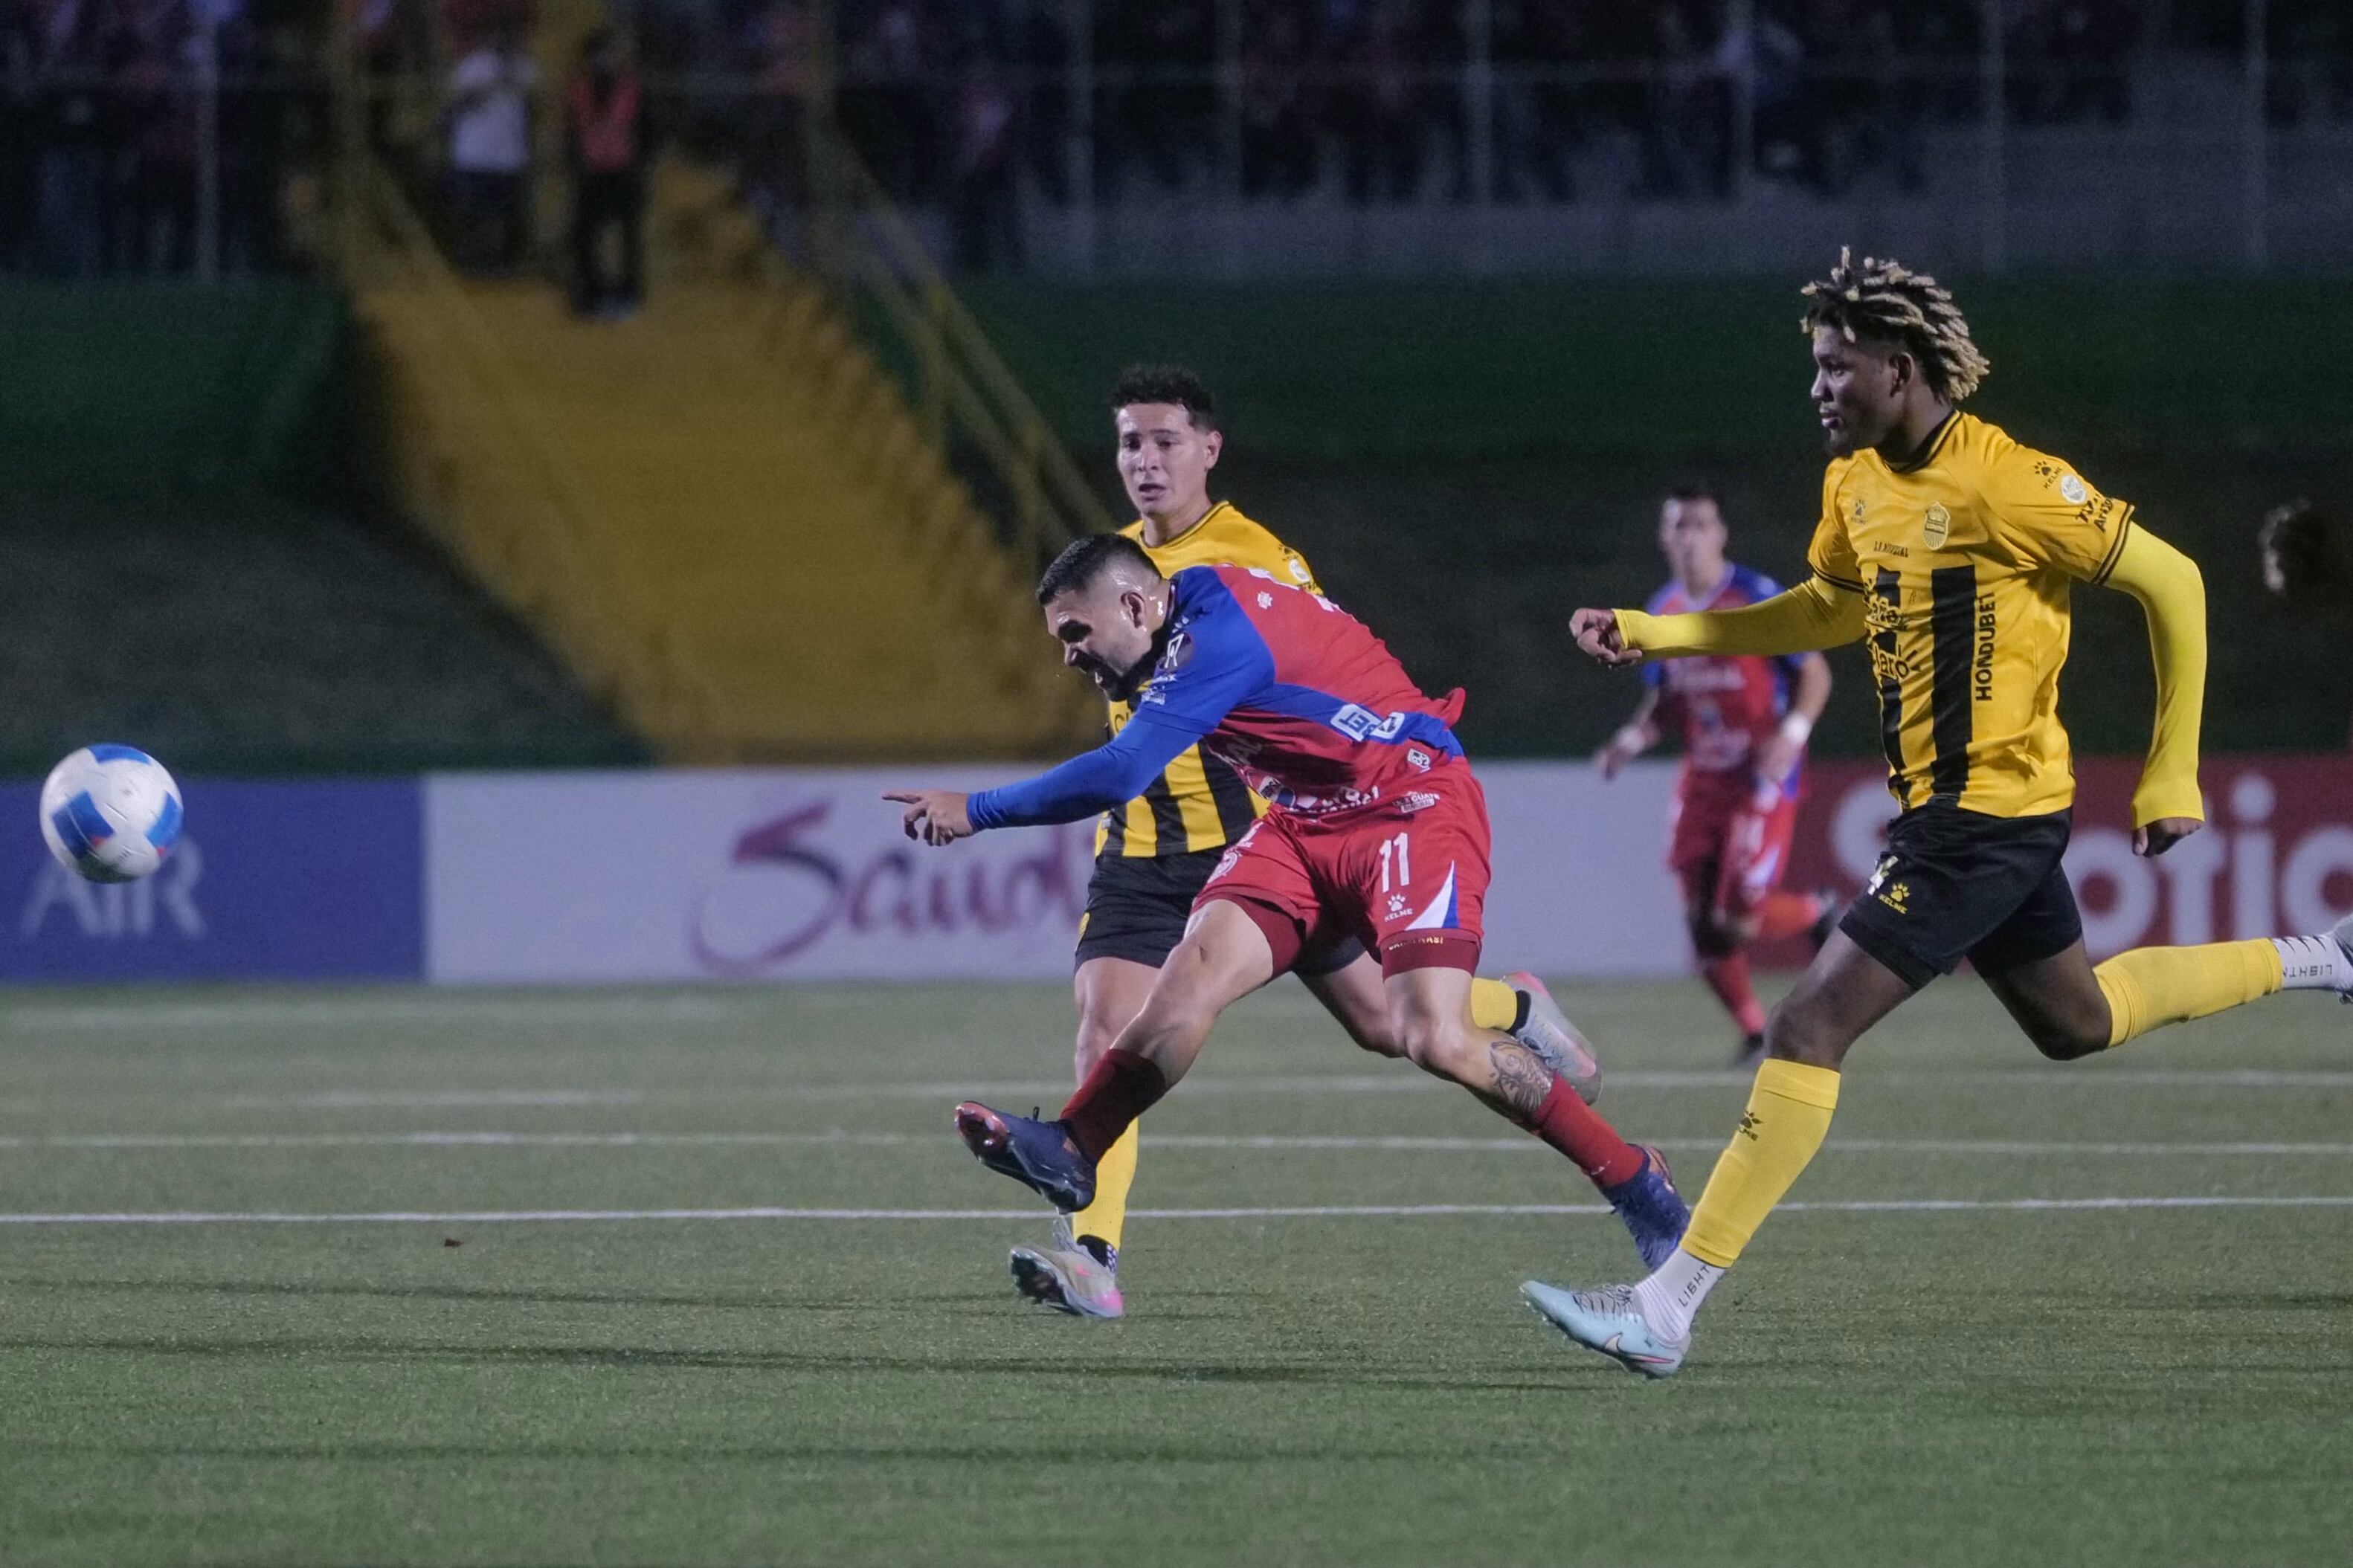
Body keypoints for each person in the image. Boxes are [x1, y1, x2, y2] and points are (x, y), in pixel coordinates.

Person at [1530, 248, 2353, 1378]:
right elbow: (1823, 610)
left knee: (1808, 1026)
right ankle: (2326, 956)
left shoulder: (2009, 481)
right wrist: (1659, 630)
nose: (1818, 388)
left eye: (1837, 368)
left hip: (1985, 819)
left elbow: (2178, 583)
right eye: (1814, 367)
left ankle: (1666, 1308)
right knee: (2079, 1021)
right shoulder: (1853, 483)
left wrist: (2172, 774)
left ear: (1902, 370)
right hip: (1955, 816)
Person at [916, 364, 1622, 1320]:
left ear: (1208, 450)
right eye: (1129, 442)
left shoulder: (1250, 560)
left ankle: (1511, 1004)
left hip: (1263, 833)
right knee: (1108, 1032)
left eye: (1165, 441)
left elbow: (1313, 694)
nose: (1145, 460)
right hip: (1141, 847)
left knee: (1388, 1028)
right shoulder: (1109, 568)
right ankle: (1090, 1254)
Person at [1597, 488, 1837, 1065]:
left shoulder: (1754, 597)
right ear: (1664, 537)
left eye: (1700, 524)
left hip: (1760, 776)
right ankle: (1755, 1031)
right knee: (1699, 920)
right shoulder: (1663, 611)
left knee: (1737, 919)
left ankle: (1818, 912)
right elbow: (1665, 706)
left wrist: (1793, 733)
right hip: (1702, 779)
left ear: (1720, 533)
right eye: (1678, 525)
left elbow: (1816, 673)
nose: (1689, 536)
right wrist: (1630, 740)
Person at [564, 28, 645, 317]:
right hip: (591, 170)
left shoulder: (630, 88)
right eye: (598, 55)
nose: (603, 60)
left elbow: (644, 128)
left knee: (628, 233)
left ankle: (629, 289)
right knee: (584, 233)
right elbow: (572, 129)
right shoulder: (581, 89)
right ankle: (591, 287)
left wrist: (641, 164)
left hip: (623, 169)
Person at [445, 24, 535, 274]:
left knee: (509, 217)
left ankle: (506, 264)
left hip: (510, 157)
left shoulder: (524, 67)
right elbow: (455, 106)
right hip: (474, 155)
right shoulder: (473, 67)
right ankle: (469, 263)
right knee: (471, 215)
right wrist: (483, 91)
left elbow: (532, 107)